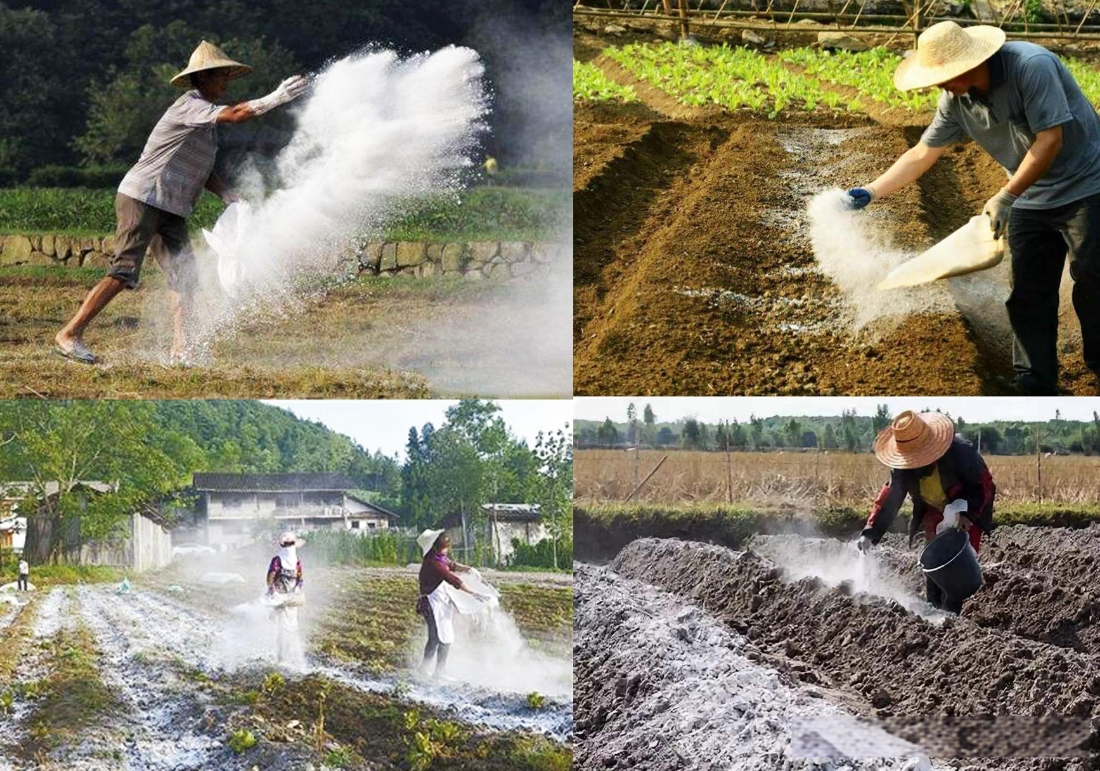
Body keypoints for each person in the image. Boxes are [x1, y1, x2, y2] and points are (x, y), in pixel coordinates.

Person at [847, 21, 1100, 395]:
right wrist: (870, 191)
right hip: (1029, 196)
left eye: (944, 75)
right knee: (1029, 292)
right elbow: (922, 154)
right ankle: (1035, 381)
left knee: (1094, 278)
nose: (938, 84)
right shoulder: (954, 101)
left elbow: (1051, 139)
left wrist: (1006, 195)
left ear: (970, 64)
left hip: (1086, 185)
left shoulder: (1030, 67)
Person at [54, 40, 310, 365]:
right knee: (124, 271)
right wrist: (278, 97)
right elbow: (236, 114)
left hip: (171, 207)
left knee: (185, 277)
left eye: (228, 78)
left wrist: (227, 194)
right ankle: (70, 333)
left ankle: (181, 350)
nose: (226, 83)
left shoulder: (205, 125)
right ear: (202, 79)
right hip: (144, 197)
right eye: (221, 77)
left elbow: (200, 170)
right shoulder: (189, 105)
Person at [857, 411, 996, 614]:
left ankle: (952, 617)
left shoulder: (960, 453)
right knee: (934, 564)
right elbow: (890, 498)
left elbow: (983, 487)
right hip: (934, 509)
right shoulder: (903, 468)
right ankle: (933, 611)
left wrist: (968, 514)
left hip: (966, 507)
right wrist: (871, 532)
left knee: (955, 566)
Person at [416, 529, 485, 678]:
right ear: (437, 547)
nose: (447, 551)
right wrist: (473, 593)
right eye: (445, 548)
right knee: (443, 637)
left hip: (439, 603)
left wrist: (468, 569)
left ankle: (425, 668)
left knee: (435, 637)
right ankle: (438, 671)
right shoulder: (434, 563)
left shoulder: (438, 557)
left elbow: (452, 565)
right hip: (432, 604)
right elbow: (453, 579)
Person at [267, 530, 304, 664]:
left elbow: (299, 579)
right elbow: (271, 578)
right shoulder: (286, 561)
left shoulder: (287, 561)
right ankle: (281, 657)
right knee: (285, 628)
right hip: (285, 599)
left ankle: (284, 656)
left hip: (286, 599)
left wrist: (298, 590)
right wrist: (274, 592)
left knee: (288, 627)